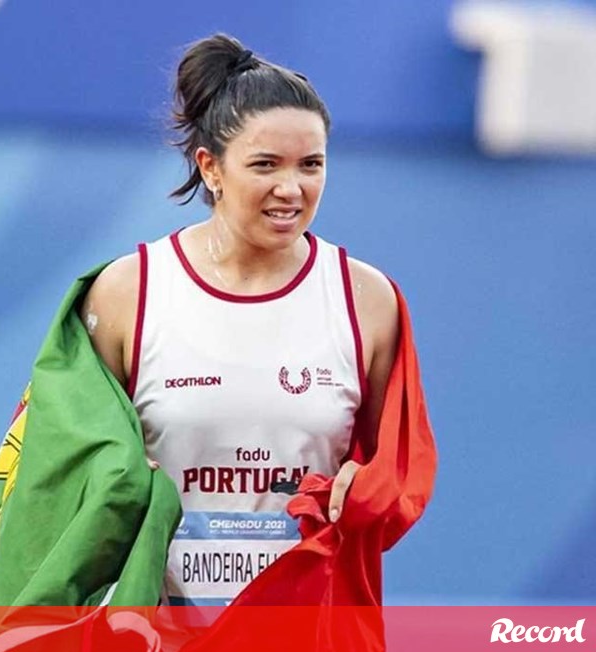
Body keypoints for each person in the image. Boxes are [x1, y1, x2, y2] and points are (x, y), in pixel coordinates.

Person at [81, 33, 401, 607]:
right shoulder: (129, 292)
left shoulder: (366, 300)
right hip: (155, 644)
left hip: (307, 640)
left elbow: (398, 465)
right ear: (211, 168)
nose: (291, 188)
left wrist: (368, 486)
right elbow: (64, 466)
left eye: (311, 164)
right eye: (265, 165)